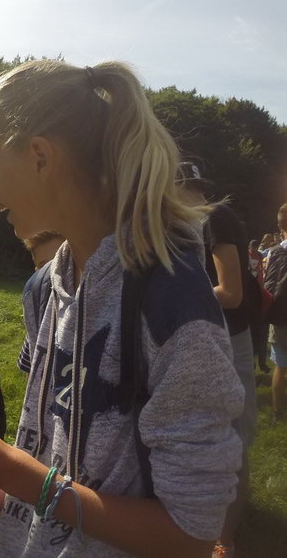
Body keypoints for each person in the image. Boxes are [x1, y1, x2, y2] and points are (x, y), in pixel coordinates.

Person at [0, 60, 243, 556]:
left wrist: (14, 472)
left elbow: (190, 535)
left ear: (40, 157)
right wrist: (5, 484)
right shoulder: (47, 287)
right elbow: (56, 445)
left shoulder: (172, 301)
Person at [177, 162, 258, 557]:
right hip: (210, 335)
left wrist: (172, 299)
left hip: (231, 338)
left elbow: (231, 292)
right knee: (210, 429)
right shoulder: (195, 223)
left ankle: (224, 539)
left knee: (234, 437)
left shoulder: (215, 218)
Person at [266, 203, 287, 423]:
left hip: (280, 316)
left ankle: (277, 413)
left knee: (280, 367)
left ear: (280, 226)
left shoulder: (274, 252)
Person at [248, 239, 270, 373]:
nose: (253, 251)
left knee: (261, 337)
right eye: (252, 248)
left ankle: (261, 363)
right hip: (252, 307)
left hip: (260, 305)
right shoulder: (245, 256)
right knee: (253, 338)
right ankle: (253, 365)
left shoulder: (260, 257)